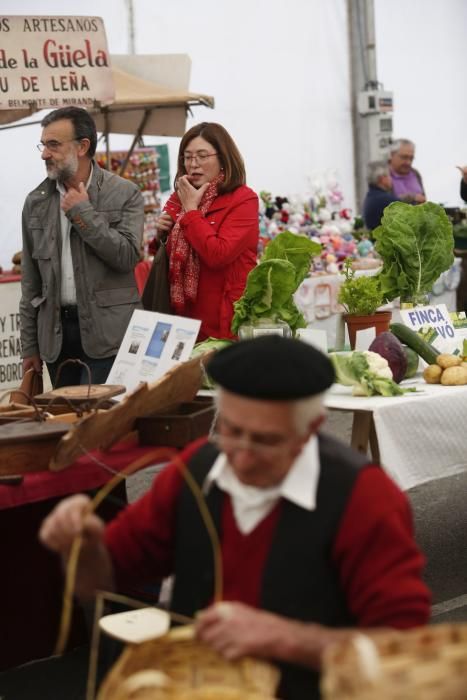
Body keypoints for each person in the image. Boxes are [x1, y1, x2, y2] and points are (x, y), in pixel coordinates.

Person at [40, 336, 430, 700]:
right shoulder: (194, 475)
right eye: (231, 431)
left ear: (311, 429)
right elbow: (99, 584)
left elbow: (402, 655)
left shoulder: (364, 498)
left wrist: (282, 638)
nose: (240, 456)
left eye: (265, 440)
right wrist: (84, 546)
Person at [20, 106, 144, 388]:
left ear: (82, 146)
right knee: (65, 425)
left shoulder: (125, 193)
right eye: (43, 144)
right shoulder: (35, 202)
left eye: (53, 144)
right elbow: (31, 281)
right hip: (56, 340)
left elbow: (126, 257)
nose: (44, 153)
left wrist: (83, 213)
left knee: (104, 425)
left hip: (110, 339)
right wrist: (29, 347)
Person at [149, 122, 259, 340]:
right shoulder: (179, 197)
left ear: (223, 159)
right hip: (182, 319)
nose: (193, 164)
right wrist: (161, 235)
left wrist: (191, 212)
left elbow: (218, 255)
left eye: (202, 156)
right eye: (187, 157)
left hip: (223, 319)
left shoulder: (243, 199)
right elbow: (165, 257)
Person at [362, 160, 399, 229]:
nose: (391, 179)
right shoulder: (387, 200)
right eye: (389, 175)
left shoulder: (371, 197)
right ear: (382, 179)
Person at [388, 138, 426, 204]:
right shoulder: (382, 175)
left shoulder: (415, 173)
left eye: (411, 158)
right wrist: (412, 198)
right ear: (392, 155)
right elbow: (383, 202)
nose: (408, 162)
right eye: (404, 157)